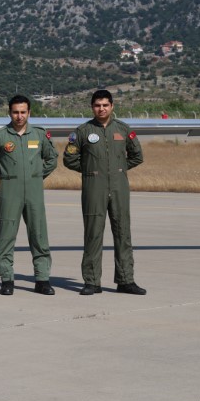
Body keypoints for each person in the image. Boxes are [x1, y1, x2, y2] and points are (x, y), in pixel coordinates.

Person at [62, 90, 146, 295]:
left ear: (112, 106)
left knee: (123, 233)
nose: (102, 109)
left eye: (105, 105)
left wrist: (118, 169)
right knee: (93, 233)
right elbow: (69, 159)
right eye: (97, 105)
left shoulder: (123, 129)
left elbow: (137, 155)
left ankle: (126, 280)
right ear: (92, 107)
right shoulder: (82, 131)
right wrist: (91, 171)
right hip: (94, 187)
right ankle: (92, 281)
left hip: (119, 187)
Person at [0, 95, 58, 295]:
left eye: (23, 112)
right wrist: (7, 176)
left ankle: (42, 279)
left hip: (34, 191)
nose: (19, 116)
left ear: (29, 112)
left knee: (39, 234)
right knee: (7, 236)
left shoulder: (40, 135)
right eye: (15, 112)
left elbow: (51, 159)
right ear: (10, 113)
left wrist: (37, 175)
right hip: (10, 191)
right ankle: (7, 279)